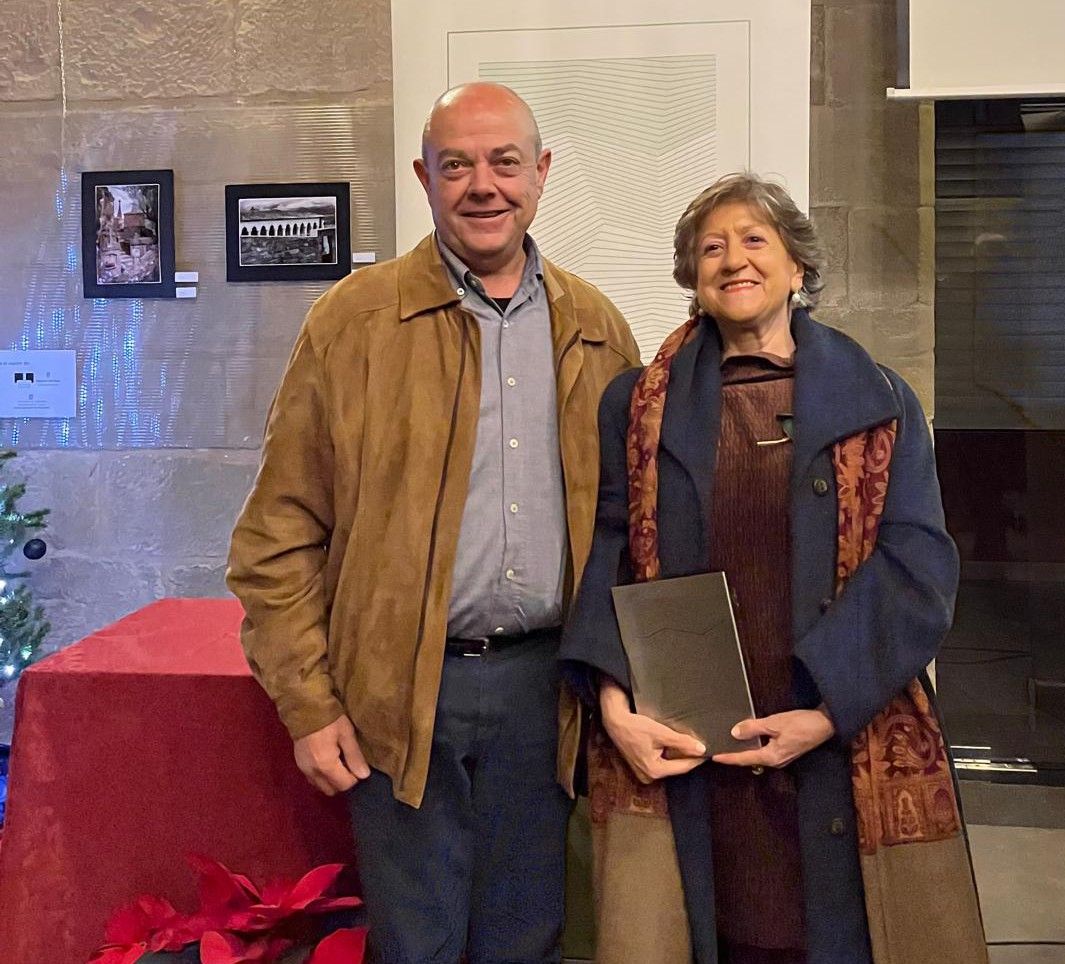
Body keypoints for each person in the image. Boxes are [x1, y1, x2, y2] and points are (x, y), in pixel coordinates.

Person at [227, 82, 640, 964]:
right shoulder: (354, 322)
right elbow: (276, 537)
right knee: (416, 946)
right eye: (457, 165)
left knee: (531, 942)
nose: (482, 185)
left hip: (548, 693)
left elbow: (632, 526)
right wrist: (308, 705)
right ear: (424, 177)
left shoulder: (599, 330)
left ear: (542, 173)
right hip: (403, 699)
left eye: (503, 162)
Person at [560, 173, 988, 964]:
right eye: (711, 248)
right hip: (688, 742)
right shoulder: (634, 406)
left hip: (830, 731)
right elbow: (611, 548)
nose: (733, 260)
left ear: (797, 266)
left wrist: (826, 712)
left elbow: (918, 562)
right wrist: (614, 700)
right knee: (703, 925)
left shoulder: (881, 398)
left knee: (822, 934)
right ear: (692, 277)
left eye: (755, 240)